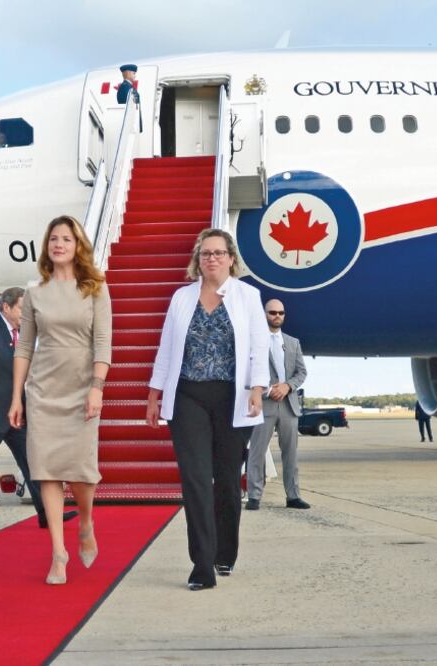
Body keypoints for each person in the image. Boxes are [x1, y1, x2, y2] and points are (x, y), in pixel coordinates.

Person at [146, 229, 268, 591]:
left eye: (218, 253)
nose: (211, 259)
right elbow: (166, 349)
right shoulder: (182, 298)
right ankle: (201, 565)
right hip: (188, 396)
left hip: (233, 397)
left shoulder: (248, 296)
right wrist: (154, 394)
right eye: (205, 253)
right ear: (197, 260)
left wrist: (258, 389)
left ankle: (224, 552)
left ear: (231, 258)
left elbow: (259, 347)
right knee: (196, 479)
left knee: (227, 480)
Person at [9, 216, 112, 585]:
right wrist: (17, 395)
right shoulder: (35, 291)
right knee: (46, 470)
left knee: (82, 472)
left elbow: (103, 343)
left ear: (77, 245)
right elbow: (24, 345)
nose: (59, 244)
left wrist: (97, 386)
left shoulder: (96, 288)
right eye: (53, 238)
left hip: (83, 388)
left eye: (66, 239)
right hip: (43, 390)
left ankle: (85, 522)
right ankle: (58, 553)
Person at [0, 287, 79, 532]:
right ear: (6, 307)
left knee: (33, 463)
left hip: (19, 413)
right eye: (23, 308)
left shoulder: (26, 336)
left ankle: (46, 514)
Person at [245, 299, 310, 511]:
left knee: (290, 454)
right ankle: (254, 496)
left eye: (281, 313)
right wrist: (267, 390)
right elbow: (245, 373)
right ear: (265, 314)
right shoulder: (253, 342)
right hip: (264, 404)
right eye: (273, 312)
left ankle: (293, 496)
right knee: (256, 452)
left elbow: (301, 373)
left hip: (289, 405)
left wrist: (287, 387)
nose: (277, 316)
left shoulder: (293, 342)